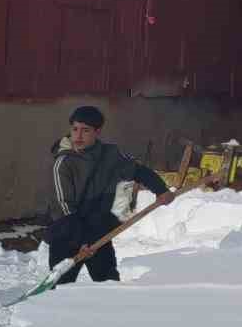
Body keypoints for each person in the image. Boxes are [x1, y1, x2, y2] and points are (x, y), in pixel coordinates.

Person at [43, 105, 176, 284]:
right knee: (61, 288)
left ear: (97, 132)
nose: (78, 136)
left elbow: (138, 171)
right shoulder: (64, 162)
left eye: (85, 130)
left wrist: (161, 190)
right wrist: (80, 241)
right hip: (67, 235)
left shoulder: (110, 154)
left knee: (109, 284)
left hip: (99, 233)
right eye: (75, 129)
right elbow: (64, 206)